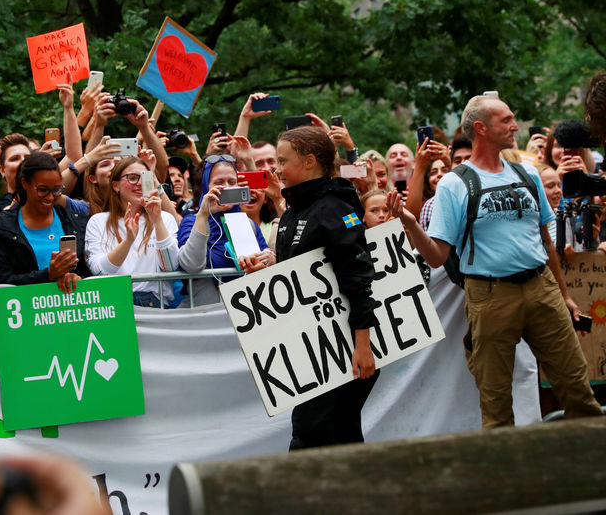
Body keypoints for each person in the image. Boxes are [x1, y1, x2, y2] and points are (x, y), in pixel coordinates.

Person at [387, 94, 603, 428]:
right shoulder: (454, 183)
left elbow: (546, 240)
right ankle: (504, 476)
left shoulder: (527, 172)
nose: (515, 126)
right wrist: (411, 224)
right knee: (496, 402)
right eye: (506, 120)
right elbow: (437, 256)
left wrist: (563, 294)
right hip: (490, 296)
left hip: (541, 287)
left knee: (576, 387)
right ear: (481, 128)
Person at [263, 126, 380, 449]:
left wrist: (363, 344)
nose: (277, 169)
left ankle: (310, 497)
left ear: (310, 161)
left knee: (316, 433)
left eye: (282, 160)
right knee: (334, 436)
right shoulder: (293, 209)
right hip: (311, 348)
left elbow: (357, 277)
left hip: (343, 347)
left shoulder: (335, 208)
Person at [0, 152, 89, 292]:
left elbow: (93, 270)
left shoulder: (76, 221)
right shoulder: (2, 226)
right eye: (43, 190)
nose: (51, 197)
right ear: (25, 184)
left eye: (56, 190)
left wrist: (78, 278)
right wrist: (48, 275)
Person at [84, 156, 179, 307]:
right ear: (115, 186)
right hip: (113, 302)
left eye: (145, 177)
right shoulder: (98, 221)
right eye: (132, 178)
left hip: (153, 302)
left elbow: (170, 266)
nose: (140, 183)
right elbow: (100, 271)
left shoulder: (165, 218)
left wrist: (157, 220)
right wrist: (128, 241)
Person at [177, 155, 272, 305]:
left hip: (246, 313)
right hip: (206, 317)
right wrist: (203, 214)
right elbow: (191, 265)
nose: (226, 187)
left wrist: (268, 259)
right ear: (206, 187)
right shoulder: (192, 221)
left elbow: (266, 255)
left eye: (232, 182)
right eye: (219, 182)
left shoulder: (247, 223)